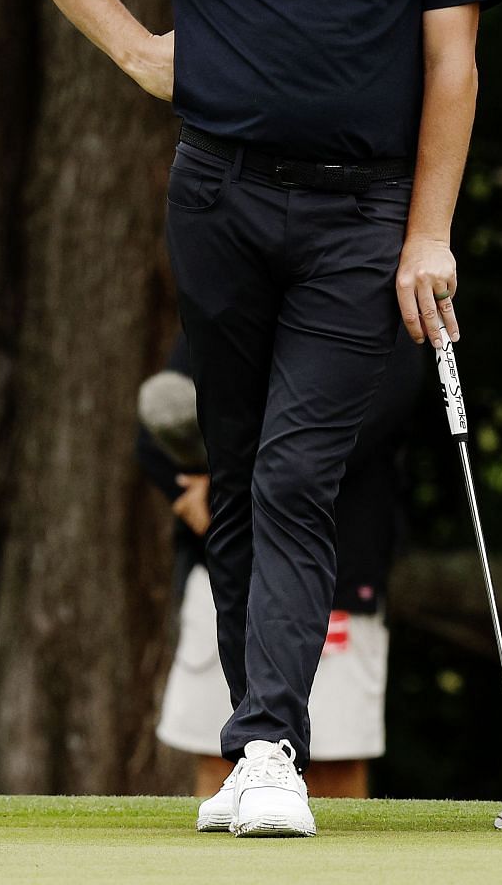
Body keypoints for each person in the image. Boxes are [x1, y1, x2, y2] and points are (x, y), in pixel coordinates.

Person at [18, 0, 502, 838]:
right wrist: (136, 53)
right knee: (237, 473)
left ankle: (271, 746)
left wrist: (430, 233)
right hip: (219, 198)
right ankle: (258, 743)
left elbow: (455, 66)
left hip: (366, 210)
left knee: (298, 465)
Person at [137, 331, 419, 802]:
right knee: (220, 760)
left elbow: (364, 425)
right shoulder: (238, 277)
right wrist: (200, 494)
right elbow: (158, 423)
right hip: (225, 575)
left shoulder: (373, 290)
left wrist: (236, 484)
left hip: (340, 576)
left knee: (332, 763)